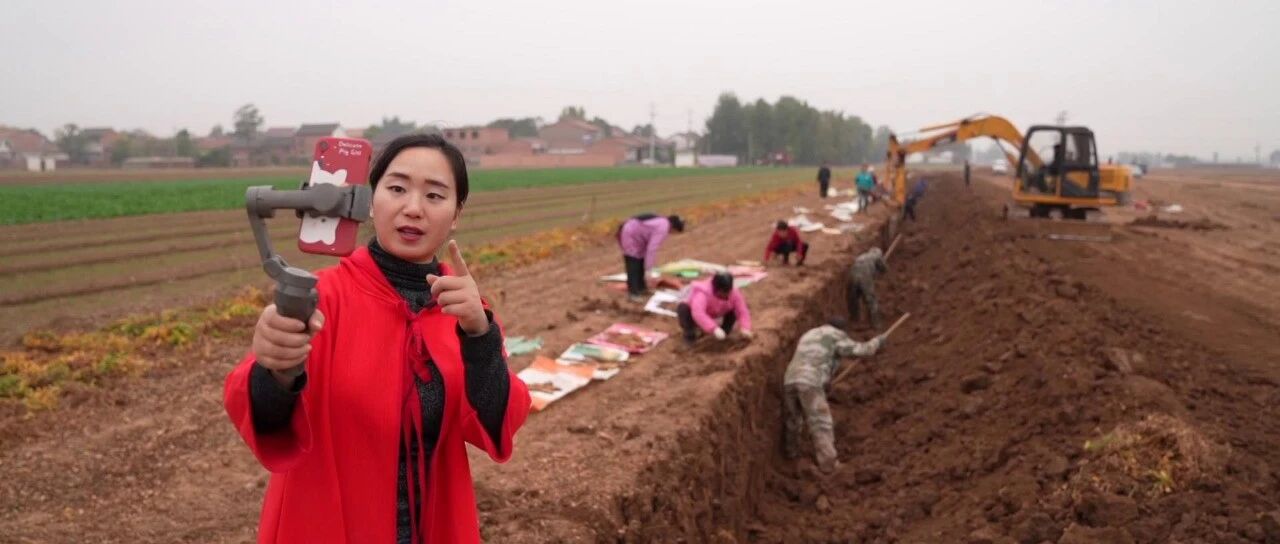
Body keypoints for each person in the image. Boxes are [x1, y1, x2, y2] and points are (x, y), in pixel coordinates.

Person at [223, 133, 531, 544]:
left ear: (456, 214)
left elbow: (497, 422)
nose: (413, 208)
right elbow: (266, 415)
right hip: (328, 526)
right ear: (372, 198)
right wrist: (276, 369)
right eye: (397, 188)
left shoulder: (464, 312)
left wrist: (481, 337)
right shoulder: (321, 298)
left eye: (435, 196)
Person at [782, 317, 885, 472]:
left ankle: (792, 455)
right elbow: (863, 350)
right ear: (841, 329)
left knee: (794, 419)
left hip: (790, 379)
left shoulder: (810, 333)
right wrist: (878, 341)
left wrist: (825, 380)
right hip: (810, 381)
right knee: (821, 422)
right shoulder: (835, 335)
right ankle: (829, 465)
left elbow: (816, 358)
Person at [617, 213, 685, 301]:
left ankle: (641, 288)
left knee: (640, 259)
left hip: (636, 235)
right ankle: (633, 293)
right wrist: (649, 269)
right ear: (674, 228)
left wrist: (648, 266)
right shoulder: (663, 228)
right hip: (630, 233)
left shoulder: (663, 222)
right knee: (633, 262)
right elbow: (652, 248)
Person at [676, 271, 754, 345]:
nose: (726, 294)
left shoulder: (734, 293)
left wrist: (745, 328)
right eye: (723, 291)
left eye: (728, 291)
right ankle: (690, 335)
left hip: (718, 310)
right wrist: (714, 328)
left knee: (733, 310)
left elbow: (742, 310)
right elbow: (698, 313)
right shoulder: (702, 293)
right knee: (683, 308)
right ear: (716, 288)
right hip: (694, 311)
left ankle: (725, 331)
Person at [847, 247, 887, 329]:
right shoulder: (876, 256)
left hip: (852, 276)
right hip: (865, 277)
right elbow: (884, 268)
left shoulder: (861, 256)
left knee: (852, 299)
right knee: (871, 300)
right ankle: (876, 323)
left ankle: (855, 320)